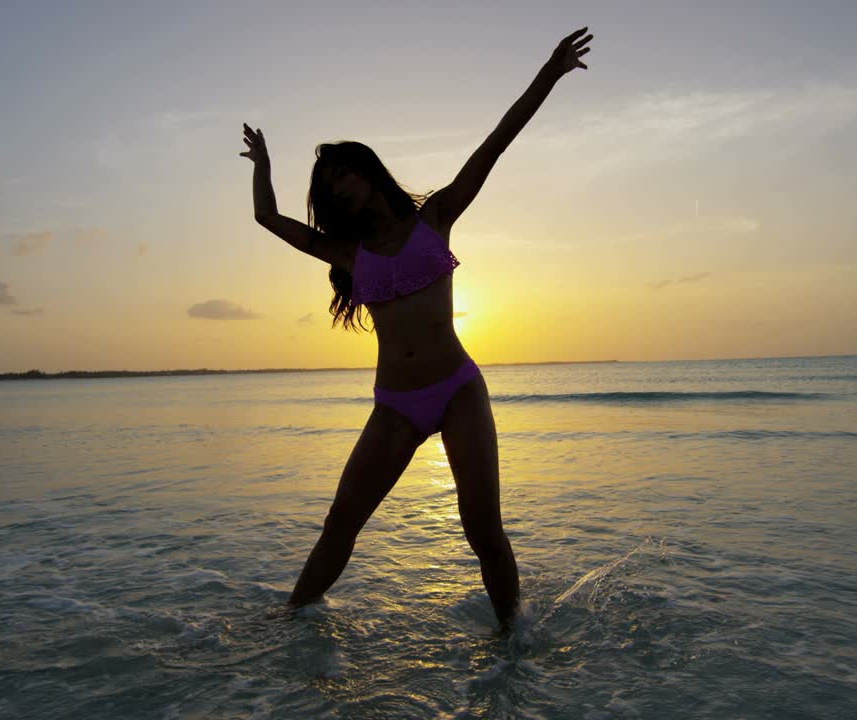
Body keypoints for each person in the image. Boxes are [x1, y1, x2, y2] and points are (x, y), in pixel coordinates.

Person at [239, 27, 592, 631]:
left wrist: (550, 73)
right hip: (396, 404)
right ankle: (288, 623)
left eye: (346, 172)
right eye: (330, 183)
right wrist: (265, 165)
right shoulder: (346, 254)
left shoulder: (436, 218)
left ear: (369, 172)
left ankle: (514, 639)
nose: (340, 184)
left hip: (457, 389)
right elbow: (266, 216)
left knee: (483, 529)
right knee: (340, 523)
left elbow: (496, 143)